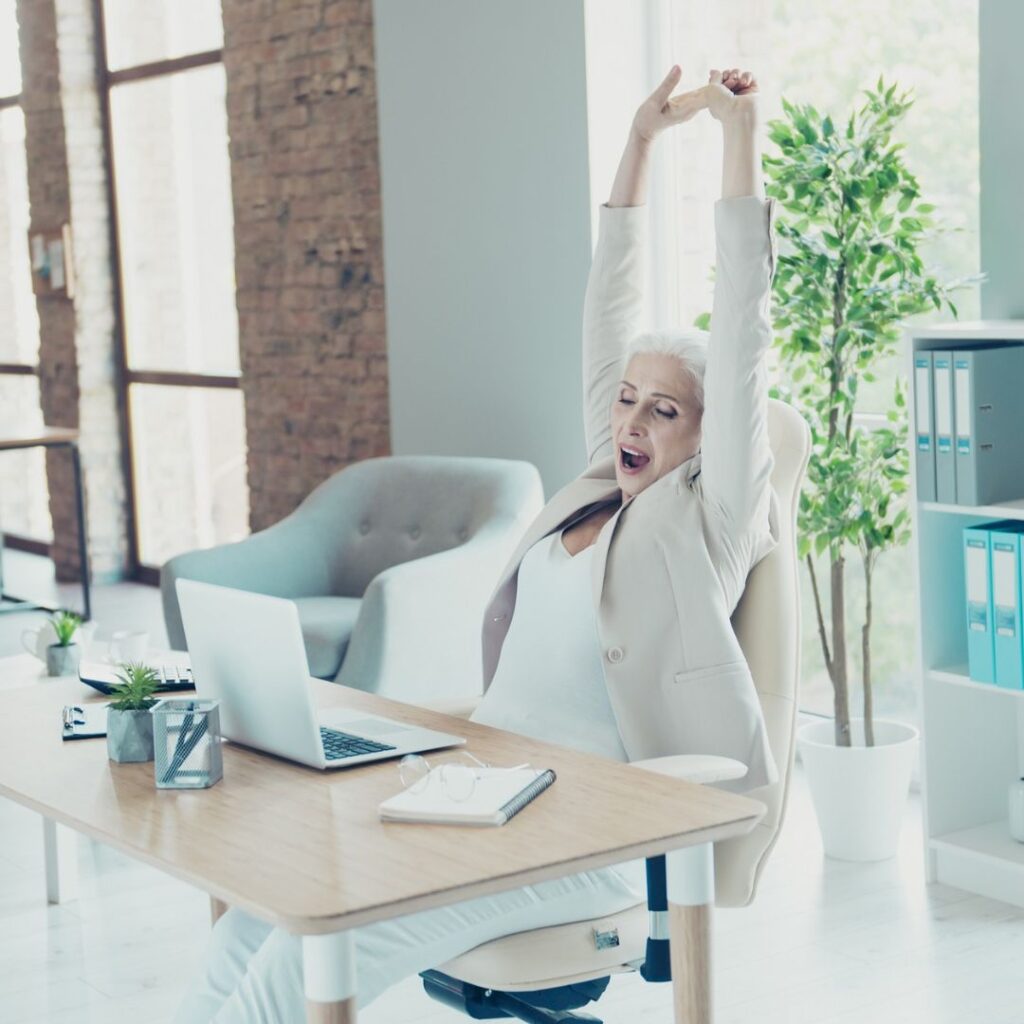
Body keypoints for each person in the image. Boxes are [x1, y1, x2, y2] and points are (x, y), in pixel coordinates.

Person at [175, 64, 778, 1022]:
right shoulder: (592, 489)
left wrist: (739, 137)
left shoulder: (709, 520)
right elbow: (606, 305)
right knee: (259, 914)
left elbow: (743, 324)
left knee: (313, 953)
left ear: (709, 438)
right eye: (627, 399)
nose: (633, 420)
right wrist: (640, 141)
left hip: (580, 838)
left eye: (665, 411)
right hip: (472, 798)